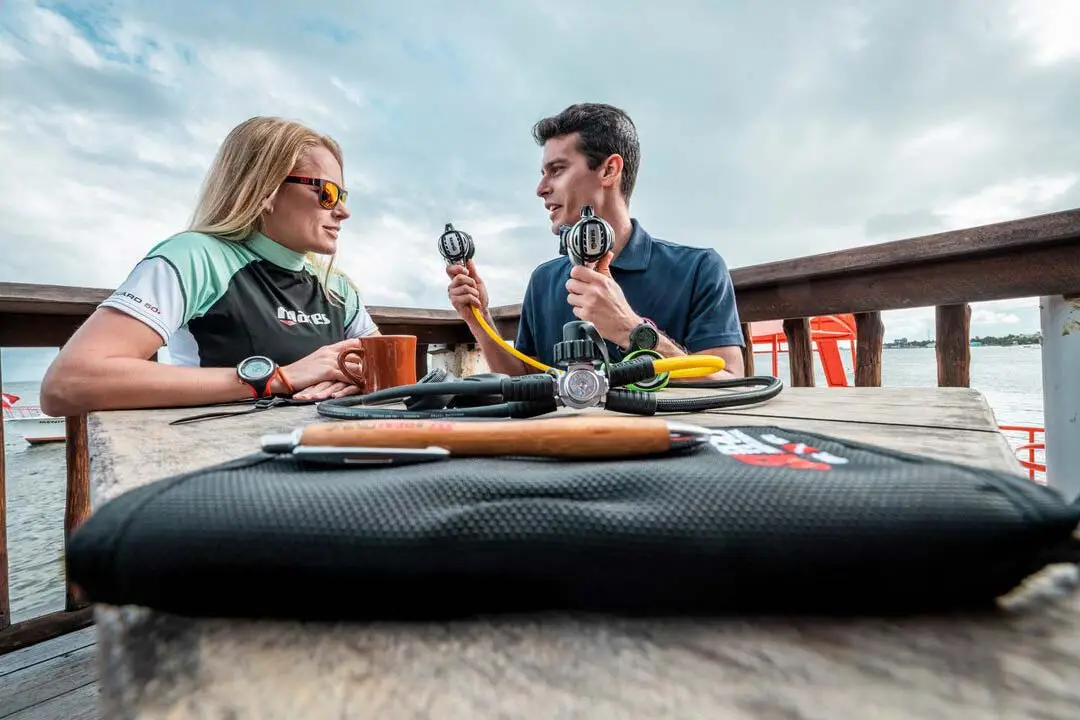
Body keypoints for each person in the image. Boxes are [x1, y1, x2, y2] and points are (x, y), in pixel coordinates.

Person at [40, 116, 380, 417]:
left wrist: (358, 378)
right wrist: (279, 378)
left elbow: (386, 367)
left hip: (328, 454)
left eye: (343, 196)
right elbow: (69, 383)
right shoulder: (197, 257)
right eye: (327, 193)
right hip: (219, 458)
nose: (343, 211)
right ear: (267, 189)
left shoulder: (336, 287)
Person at [446, 103, 745, 378]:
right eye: (543, 173)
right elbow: (525, 379)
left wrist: (630, 330)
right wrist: (479, 319)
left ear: (609, 170)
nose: (540, 188)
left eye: (557, 170)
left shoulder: (699, 268)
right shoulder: (544, 279)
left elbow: (731, 383)